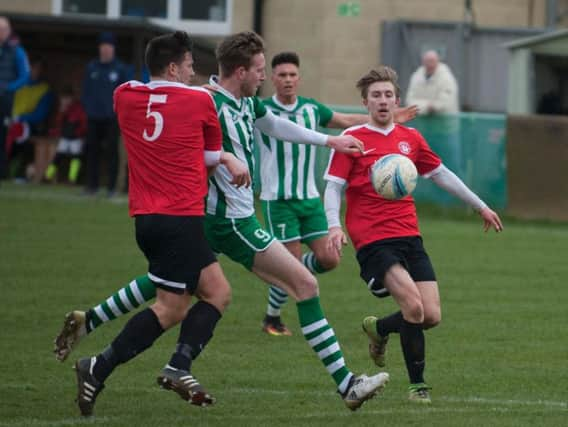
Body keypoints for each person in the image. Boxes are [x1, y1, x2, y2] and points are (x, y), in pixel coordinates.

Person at [55, 31, 389, 412]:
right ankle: (346, 383)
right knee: (304, 283)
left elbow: (276, 125)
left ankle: (98, 332)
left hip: (206, 218)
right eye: (260, 70)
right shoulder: (205, 103)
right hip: (230, 220)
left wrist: (329, 141)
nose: (264, 77)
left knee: (167, 286)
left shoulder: (243, 102)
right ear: (241, 71)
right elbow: (180, 147)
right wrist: (226, 161)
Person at [69, 31, 250, 417]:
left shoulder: (125, 96)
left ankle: (179, 365)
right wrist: (232, 161)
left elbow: (151, 103)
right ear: (173, 66)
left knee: (218, 292)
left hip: (148, 217)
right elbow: (210, 154)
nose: (193, 73)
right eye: (188, 65)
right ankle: (97, 369)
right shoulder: (201, 100)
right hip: (178, 218)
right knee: (171, 308)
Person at [324, 66, 503, 404]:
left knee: (430, 315)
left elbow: (441, 174)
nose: (382, 100)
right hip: (373, 239)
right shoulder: (353, 140)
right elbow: (333, 188)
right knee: (413, 308)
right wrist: (334, 225)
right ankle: (417, 386)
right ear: (365, 102)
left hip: (409, 233)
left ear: (397, 100)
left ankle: (378, 328)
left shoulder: (411, 138)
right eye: (375, 95)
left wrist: (480, 206)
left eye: (388, 95)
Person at [256, 51, 417, 336]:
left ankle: (290, 272)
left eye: (293, 75)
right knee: (290, 265)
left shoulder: (311, 109)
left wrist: (391, 115)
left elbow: (345, 120)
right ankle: (273, 317)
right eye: (282, 75)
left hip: (309, 197)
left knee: (329, 259)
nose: (288, 80)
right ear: (272, 79)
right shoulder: (261, 109)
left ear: (299, 78)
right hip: (278, 199)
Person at [81, 31, 129, 196]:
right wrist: (88, 108)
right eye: (103, 47)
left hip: (112, 119)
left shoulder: (120, 69)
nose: (105, 50)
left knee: (112, 153)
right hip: (93, 117)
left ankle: (111, 188)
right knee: (92, 151)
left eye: (108, 47)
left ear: (113, 49)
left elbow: (125, 94)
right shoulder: (91, 67)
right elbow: (85, 91)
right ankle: (91, 186)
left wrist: (118, 113)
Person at [7, 55, 54, 182]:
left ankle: (15, 173)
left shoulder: (44, 90)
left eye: (38, 69)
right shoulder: (18, 85)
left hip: (31, 125)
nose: (35, 71)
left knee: (19, 139)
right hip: (11, 122)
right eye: (32, 68)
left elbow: (40, 115)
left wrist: (21, 118)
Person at [0, 15, 29, 181]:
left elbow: (25, 76)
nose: (0, 33)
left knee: (3, 136)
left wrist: (7, 88)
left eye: (3, 29)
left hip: (5, 100)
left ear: (9, 31)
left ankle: (2, 173)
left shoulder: (17, 52)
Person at [45, 85, 87, 184]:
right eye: (63, 99)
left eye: (66, 98)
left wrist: (80, 134)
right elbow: (58, 123)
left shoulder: (78, 108)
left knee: (75, 158)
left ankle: (72, 179)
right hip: (65, 137)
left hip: (76, 138)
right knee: (58, 156)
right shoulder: (63, 110)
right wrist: (62, 111)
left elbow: (83, 123)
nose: (64, 101)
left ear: (71, 98)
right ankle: (47, 176)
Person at [406, 50, 459, 115]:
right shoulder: (416, 76)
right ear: (423, 62)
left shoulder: (447, 78)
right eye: (427, 61)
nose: (430, 63)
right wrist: (428, 106)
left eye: (432, 60)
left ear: (438, 61)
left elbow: (444, 103)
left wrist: (428, 106)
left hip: (444, 121)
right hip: (421, 121)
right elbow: (409, 101)